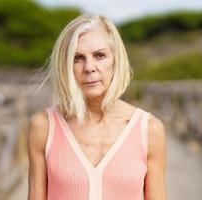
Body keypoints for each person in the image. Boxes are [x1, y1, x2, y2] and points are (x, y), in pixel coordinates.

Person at [27, 13, 167, 200]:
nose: (89, 67)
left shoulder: (149, 129)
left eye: (99, 55)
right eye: (77, 58)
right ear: (66, 65)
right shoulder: (43, 126)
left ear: (115, 60)